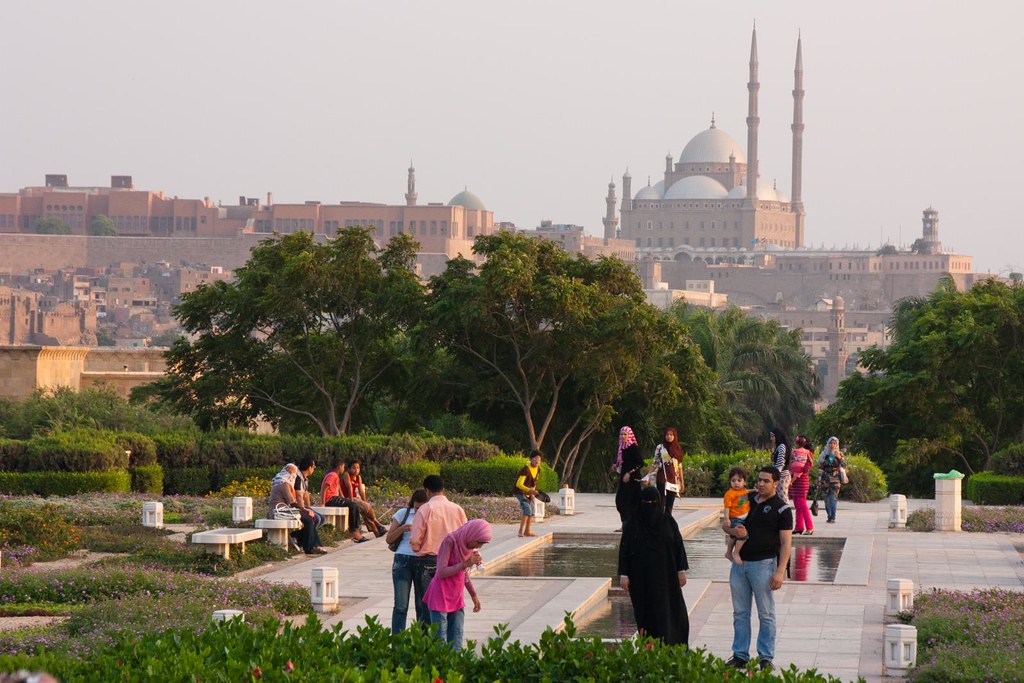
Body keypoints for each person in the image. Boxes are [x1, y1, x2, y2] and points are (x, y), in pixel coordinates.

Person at [722, 465, 793, 671]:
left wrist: (780, 571)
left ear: (776, 483)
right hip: (740, 565)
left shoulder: (782, 509)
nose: (761, 484)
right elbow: (727, 525)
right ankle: (740, 655)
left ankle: (765, 657)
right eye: (759, 480)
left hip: (763, 565)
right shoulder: (747, 500)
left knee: (766, 613)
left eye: (766, 481)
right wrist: (732, 528)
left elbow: (786, 543)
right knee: (740, 613)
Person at [618, 486, 689, 645]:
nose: (649, 505)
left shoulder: (668, 522)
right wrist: (624, 574)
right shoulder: (632, 525)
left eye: (652, 502)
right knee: (646, 615)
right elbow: (624, 550)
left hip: (666, 578)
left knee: (670, 613)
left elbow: (678, 546)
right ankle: (649, 650)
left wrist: (681, 570)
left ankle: (671, 647)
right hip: (641, 580)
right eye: (645, 502)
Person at [423, 519, 492, 650]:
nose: (479, 546)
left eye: (482, 543)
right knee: (440, 638)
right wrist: (465, 564)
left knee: (456, 637)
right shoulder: (450, 541)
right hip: (440, 595)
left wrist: (473, 595)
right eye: (479, 542)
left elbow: (464, 573)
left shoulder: (468, 547)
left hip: (456, 596)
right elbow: (441, 572)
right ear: (472, 535)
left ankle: (456, 667)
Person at [411, 475, 468, 620]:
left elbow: (415, 541)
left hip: (430, 561)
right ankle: (452, 640)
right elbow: (466, 536)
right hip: (453, 562)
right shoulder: (457, 509)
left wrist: (418, 548)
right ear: (443, 489)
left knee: (428, 607)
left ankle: (431, 641)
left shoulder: (425, 509)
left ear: (427, 491)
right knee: (454, 605)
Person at [386, 488, 430, 633]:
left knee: (422, 605)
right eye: (417, 508)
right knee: (400, 605)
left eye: (422, 508)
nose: (419, 511)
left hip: (422, 560)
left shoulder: (431, 515)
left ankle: (422, 641)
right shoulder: (403, 514)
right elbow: (389, 539)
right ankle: (398, 641)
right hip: (402, 560)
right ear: (412, 504)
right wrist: (403, 529)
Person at [267, 464, 327, 555]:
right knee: (308, 519)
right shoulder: (284, 484)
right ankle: (310, 547)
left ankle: (307, 543)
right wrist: (304, 509)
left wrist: (304, 509)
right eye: (294, 473)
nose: (295, 476)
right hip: (279, 511)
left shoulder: (282, 481)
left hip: (283, 510)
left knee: (308, 519)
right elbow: (292, 502)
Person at [319, 458, 367, 542]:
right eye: (343, 467)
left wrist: (344, 499)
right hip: (330, 499)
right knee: (353, 506)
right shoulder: (332, 475)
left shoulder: (335, 475)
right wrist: (323, 503)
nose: (343, 469)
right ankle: (353, 531)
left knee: (352, 505)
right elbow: (324, 488)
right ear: (340, 466)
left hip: (334, 498)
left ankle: (356, 529)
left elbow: (339, 490)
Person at [338, 460, 387, 537]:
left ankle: (376, 532)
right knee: (366, 508)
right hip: (347, 498)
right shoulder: (346, 475)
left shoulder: (358, 477)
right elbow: (349, 488)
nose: (356, 470)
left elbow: (361, 490)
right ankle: (378, 524)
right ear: (349, 468)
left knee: (365, 511)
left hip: (355, 498)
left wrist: (365, 502)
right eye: (353, 468)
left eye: (358, 468)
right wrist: (350, 502)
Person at [614, 426, 644, 530]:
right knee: (620, 502)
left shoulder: (634, 447)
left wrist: (629, 473)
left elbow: (640, 463)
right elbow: (619, 461)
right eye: (621, 434)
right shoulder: (621, 447)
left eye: (625, 434)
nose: (622, 436)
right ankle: (625, 524)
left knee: (632, 502)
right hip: (623, 479)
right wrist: (615, 465)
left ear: (629, 435)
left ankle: (630, 526)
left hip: (633, 479)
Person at [653, 426, 685, 514]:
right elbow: (655, 463)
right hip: (662, 478)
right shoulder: (660, 447)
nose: (669, 436)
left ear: (674, 436)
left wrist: (682, 482)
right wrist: (648, 476)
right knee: (661, 503)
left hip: (673, 479)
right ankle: (660, 524)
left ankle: (667, 524)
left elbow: (679, 467)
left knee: (669, 506)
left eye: (671, 435)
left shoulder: (677, 449)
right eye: (667, 434)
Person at [723, 467, 750, 564]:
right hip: (735, 518)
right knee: (742, 535)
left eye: (739, 480)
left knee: (733, 537)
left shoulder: (744, 491)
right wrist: (726, 519)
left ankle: (728, 552)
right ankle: (736, 553)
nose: (736, 483)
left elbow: (747, 492)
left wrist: (754, 490)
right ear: (730, 482)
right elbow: (727, 508)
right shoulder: (730, 494)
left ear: (744, 482)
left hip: (742, 518)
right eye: (733, 480)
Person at [817, 436, 847, 524]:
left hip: (835, 479)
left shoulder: (839, 454)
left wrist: (840, 458)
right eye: (830, 443)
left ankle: (832, 517)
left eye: (834, 443)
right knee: (826, 498)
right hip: (825, 479)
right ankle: (829, 515)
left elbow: (844, 465)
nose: (832, 445)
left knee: (833, 498)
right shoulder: (824, 454)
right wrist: (819, 480)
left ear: (836, 444)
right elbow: (820, 468)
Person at [789, 436, 815, 535]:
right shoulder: (796, 453)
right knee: (797, 505)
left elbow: (807, 468)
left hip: (802, 481)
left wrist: (797, 473)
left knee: (802, 505)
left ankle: (810, 527)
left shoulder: (808, 454)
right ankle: (799, 527)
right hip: (795, 482)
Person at [513, 450, 543, 538]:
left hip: (529, 492)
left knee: (532, 510)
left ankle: (527, 531)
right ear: (530, 459)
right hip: (519, 491)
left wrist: (532, 492)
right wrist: (529, 490)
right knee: (527, 509)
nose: (537, 461)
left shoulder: (538, 469)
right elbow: (519, 484)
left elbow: (534, 482)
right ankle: (520, 531)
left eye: (539, 460)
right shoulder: (525, 469)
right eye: (535, 459)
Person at [768, 428, 792, 503]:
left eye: (772, 436)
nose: (771, 438)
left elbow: (781, 463)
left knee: (782, 498)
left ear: (777, 436)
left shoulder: (781, 446)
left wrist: (775, 476)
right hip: (780, 476)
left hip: (782, 476)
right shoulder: (779, 446)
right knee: (778, 498)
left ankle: (786, 513)